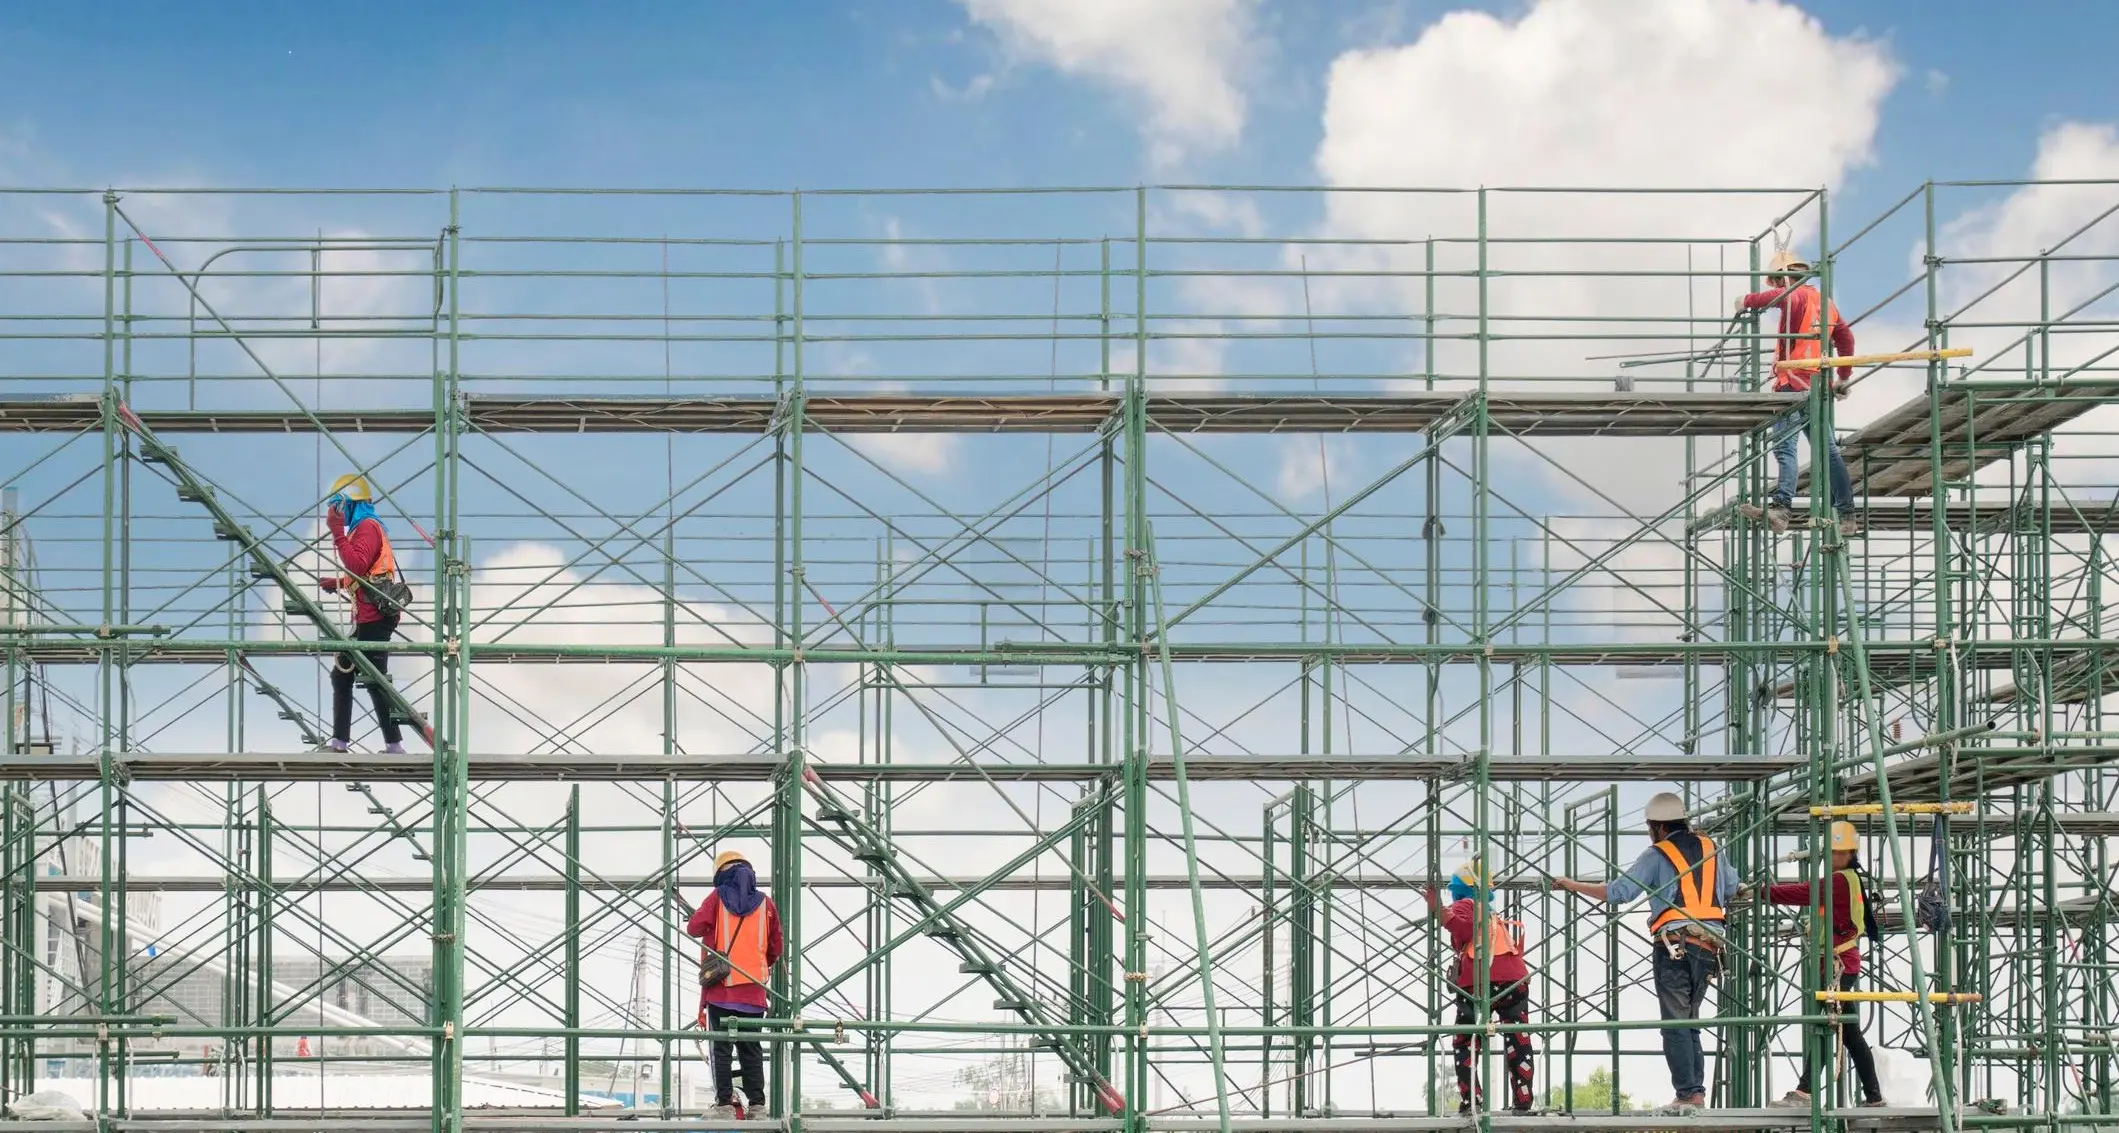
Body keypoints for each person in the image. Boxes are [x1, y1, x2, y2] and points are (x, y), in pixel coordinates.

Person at [1552, 791, 1738, 1114]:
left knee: (1675, 1024)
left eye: (1651, 828)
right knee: (1689, 1021)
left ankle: (1687, 1092)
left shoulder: (1657, 854)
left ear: (1660, 828)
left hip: (1675, 947)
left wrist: (1572, 884)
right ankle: (1694, 1093)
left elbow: (1618, 892)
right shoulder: (1712, 849)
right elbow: (1733, 887)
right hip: (1710, 948)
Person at [1734, 250, 1859, 536]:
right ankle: (1847, 515)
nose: (1777, 287)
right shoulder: (1825, 304)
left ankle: (1781, 509)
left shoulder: (1796, 295)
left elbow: (1778, 299)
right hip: (1816, 386)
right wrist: (1843, 377)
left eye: (1778, 281)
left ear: (1784, 278)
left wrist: (1746, 301)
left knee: (1785, 448)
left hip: (1791, 383)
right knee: (1827, 452)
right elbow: (1846, 339)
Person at [1762, 821, 1887, 1109]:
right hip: (1842, 962)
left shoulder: (1839, 880)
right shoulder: (1849, 878)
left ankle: (1805, 1091)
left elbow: (1803, 892)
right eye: (1831, 852)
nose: (1833, 857)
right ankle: (1874, 1096)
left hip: (1839, 965)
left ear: (1850, 853)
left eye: (1839, 852)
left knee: (1823, 1023)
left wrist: (1763, 892)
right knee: (1851, 1034)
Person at [1425, 859, 1534, 1115]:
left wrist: (1439, 910)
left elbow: (1462, 928)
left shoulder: (1467, 904)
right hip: (1514, 981)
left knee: (1466, 1040)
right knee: (1518, 1038)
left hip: (1480, 982)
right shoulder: (1492, 916)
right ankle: (1523, 1099)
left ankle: (1472, 1101)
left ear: (1458, 890)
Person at [686, 850, 784, 1120]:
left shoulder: (716, 898)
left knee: (721, 1049)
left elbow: (693, 927)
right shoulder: (767, 904)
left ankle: (725, 1105)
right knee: (751, 1049)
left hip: (721, 992)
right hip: (753, 993)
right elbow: (776, 947)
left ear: (720, 874)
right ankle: (757, 1107)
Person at [319, 474, 405, 754]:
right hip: (369, 616)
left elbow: (356, 564)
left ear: (348, 504)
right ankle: (347, 741)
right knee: (349, 676)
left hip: (374, 618)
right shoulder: (364, 528)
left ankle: (388, 744)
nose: (336, 515)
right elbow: (366, 574)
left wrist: (337, 534)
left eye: (338, 508)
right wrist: (340, 583)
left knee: (374, 679)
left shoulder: (367, 527)